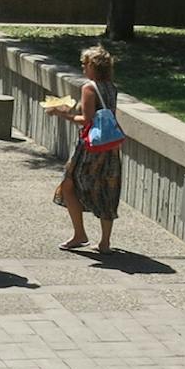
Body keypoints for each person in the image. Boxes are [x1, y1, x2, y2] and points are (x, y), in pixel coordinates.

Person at [45, 44, 124, 253]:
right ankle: (105, 242)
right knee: (107, 187)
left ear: (93, 66)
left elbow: (86, 120)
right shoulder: (111, 86)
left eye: (85, 63)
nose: (82, 67)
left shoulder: (89, 87)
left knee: (69, 184)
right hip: (110, 146)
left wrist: (60, 113)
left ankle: (79, 234)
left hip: (91, 147)